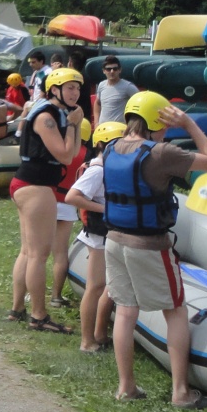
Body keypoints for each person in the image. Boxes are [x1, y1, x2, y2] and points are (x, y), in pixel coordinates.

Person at [105, 91, 207, 407]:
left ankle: (126, 387)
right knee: (176, 310)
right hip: (150, 244)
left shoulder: (110, 148)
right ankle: (181, 393)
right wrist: (188, 124)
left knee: (126, 311)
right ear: (159, 120)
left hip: (114, 239)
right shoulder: (161, 153)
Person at [9, 66, 85, 334]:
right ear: (55, 89)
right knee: (39, 255)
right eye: (70, 87)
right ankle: (38, 315)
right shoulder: (47, 117)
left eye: (78, 87)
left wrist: (74, 125)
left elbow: (72, 151)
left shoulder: (56, 114)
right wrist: (75, 124)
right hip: (36, 186)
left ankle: (17, 309)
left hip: (31, 184)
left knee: (28, 252)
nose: (75, 92)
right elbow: (66, 156)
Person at [65, 121, 126, 353]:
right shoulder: (98, 169)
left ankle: (100, 333)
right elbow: (72, 197)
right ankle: (86, 341)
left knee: (109, 285)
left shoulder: (112, 167)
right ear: (101, 145)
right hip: (99, 235)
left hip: (110, 233)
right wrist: (106, 210)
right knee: (96, 286)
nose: (120, 148)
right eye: (115, 144)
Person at [49, 119, 92, 308]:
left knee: (35, 253)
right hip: (67, 205)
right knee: (60, 253)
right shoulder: (87, 157)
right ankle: (56, 296)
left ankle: (29, 292)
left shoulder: (59, 150)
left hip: (47, 200)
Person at [94, 56, 139, 124]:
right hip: (102, 130)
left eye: (115, 69)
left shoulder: (128, 87)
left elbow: (140, 104)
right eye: (108, 69)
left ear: (120, 70)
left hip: (119, 131)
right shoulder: (101, 85)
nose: (112, 71)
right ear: (104, 71)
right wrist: (96, 123)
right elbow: (97, 103)